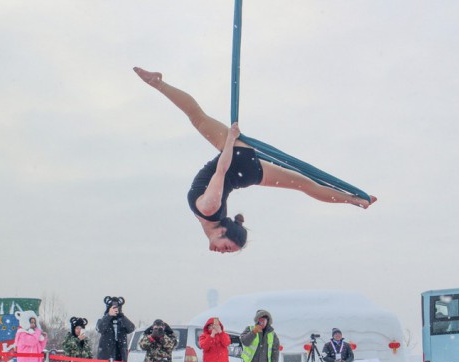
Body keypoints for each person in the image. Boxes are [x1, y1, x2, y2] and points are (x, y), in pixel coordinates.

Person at [133, 67, 377, 254]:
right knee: (196, 117)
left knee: (303, 184)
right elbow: (221, 170)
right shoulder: (208, 209)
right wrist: (230, 139)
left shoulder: (211, 217)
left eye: (227, 251)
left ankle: (355, 201)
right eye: (228, 248)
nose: (222, 252)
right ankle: (157, 82)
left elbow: (223, 175)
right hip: (235, 160)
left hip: (244, 172)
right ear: (223, 231)